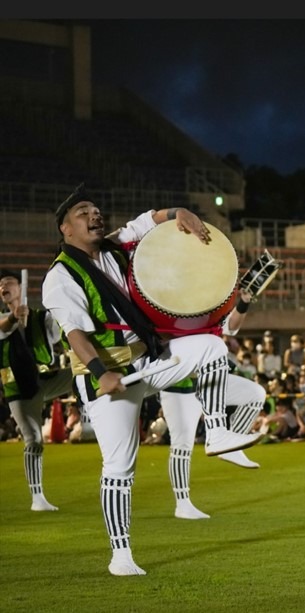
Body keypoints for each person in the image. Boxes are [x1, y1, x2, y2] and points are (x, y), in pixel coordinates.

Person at [41, 184, 263, 576]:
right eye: (82, 212)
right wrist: (101, 373)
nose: (94, 214)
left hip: (149, 359)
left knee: (211, 350)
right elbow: (74, 332)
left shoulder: (113, 247)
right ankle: (120, 555)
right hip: (108, 374)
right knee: (120, 466)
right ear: (65, 229)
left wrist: (180, 211)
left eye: (96, 209)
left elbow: (148, 221)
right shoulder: (60, 275)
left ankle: (216, 433)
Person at [157, 287, 267, 521]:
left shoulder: (208, 306)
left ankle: (231, 445)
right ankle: (182, 503)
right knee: (182, 445)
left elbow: (231, 327)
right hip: (180, 383)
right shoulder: (168, 305)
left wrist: (244, 301)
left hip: (211, 380)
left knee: (255, 394)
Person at [0, 269, 72, 511]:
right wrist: (14, 317)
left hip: (45, 378)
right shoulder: (1, 317)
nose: (3, 286)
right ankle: (37, 497)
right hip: (19, 385)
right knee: (33, 439)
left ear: (20, 288)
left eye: (8, 282)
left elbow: (56, 334)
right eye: (0, 285)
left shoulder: (40, 317)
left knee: (83, 372)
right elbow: (2, 328)